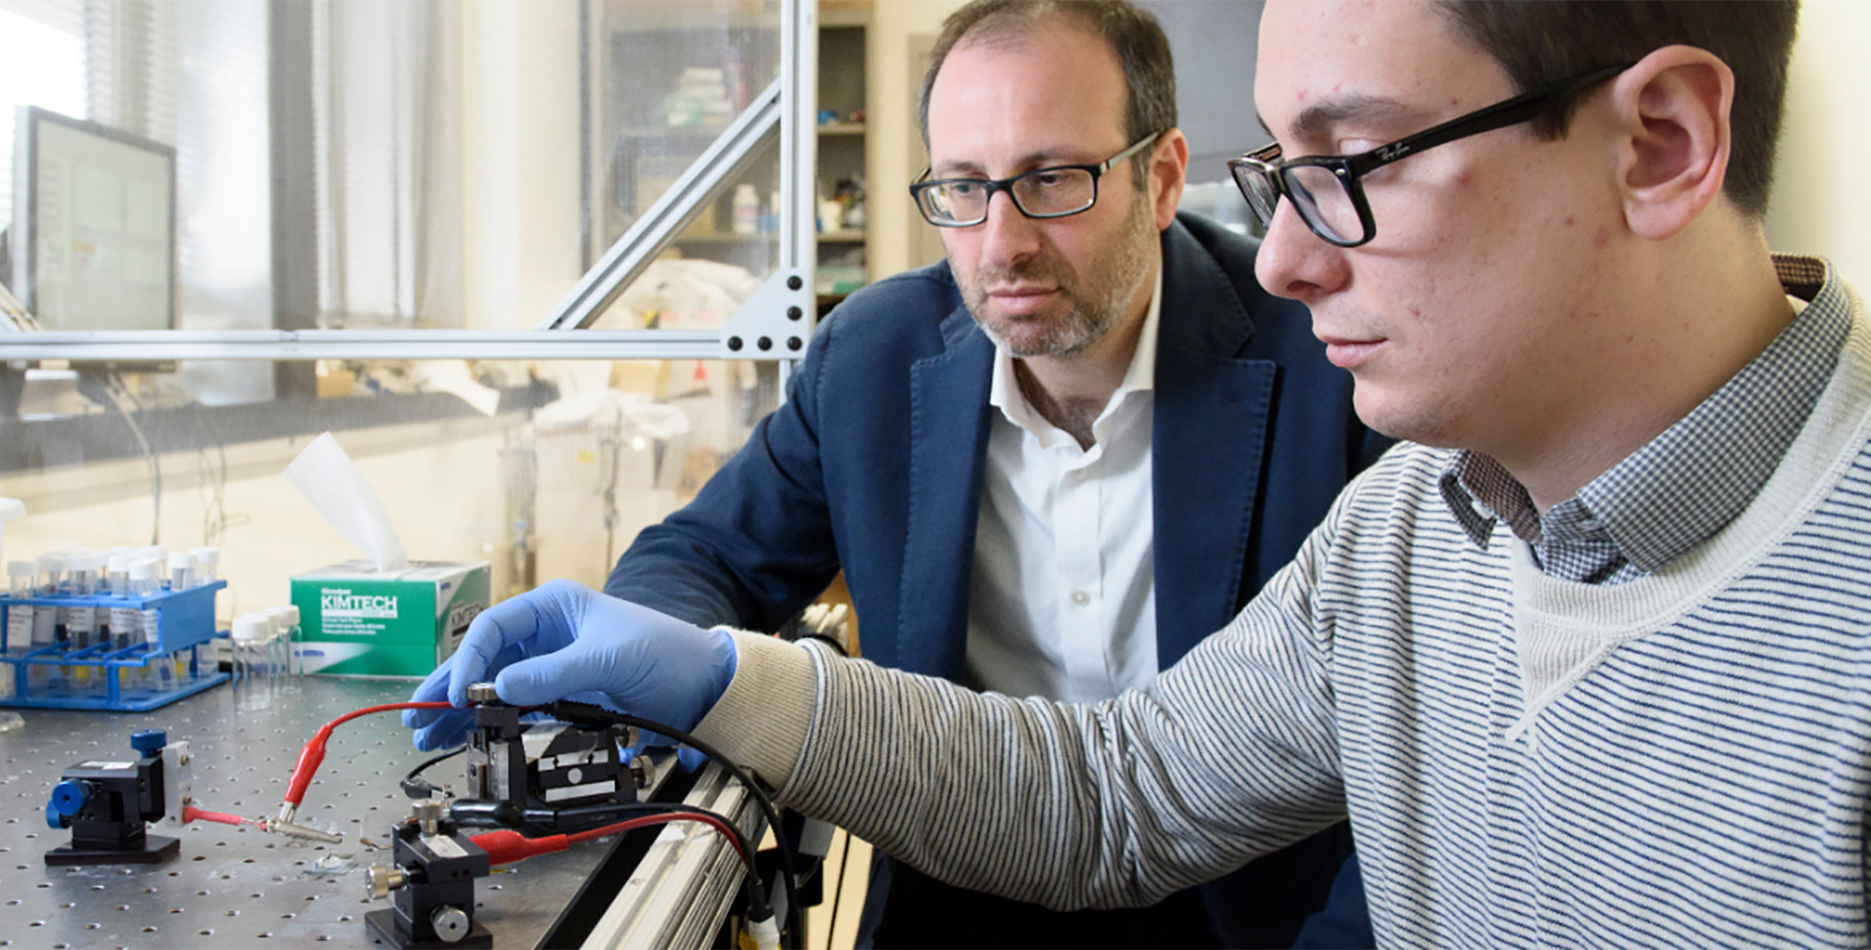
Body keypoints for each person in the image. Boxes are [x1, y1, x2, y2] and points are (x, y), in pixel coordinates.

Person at [410, 0, 1871, 944]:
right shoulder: (1417, 531)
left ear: (1662, 141)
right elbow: (1113, 792)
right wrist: (716, 669)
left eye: (1351, 162)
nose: (1295, 261)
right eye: (1282, 176)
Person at [416, 2, 1382, 947]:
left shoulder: (1335, 362)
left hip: (1250, 912)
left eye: (1053, 180)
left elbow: (1411, 769)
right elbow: (707, 553)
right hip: (960, 883)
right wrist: (638, 666)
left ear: (1164, 178)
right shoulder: (874, 358)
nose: (1001, 243)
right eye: (963, 187)